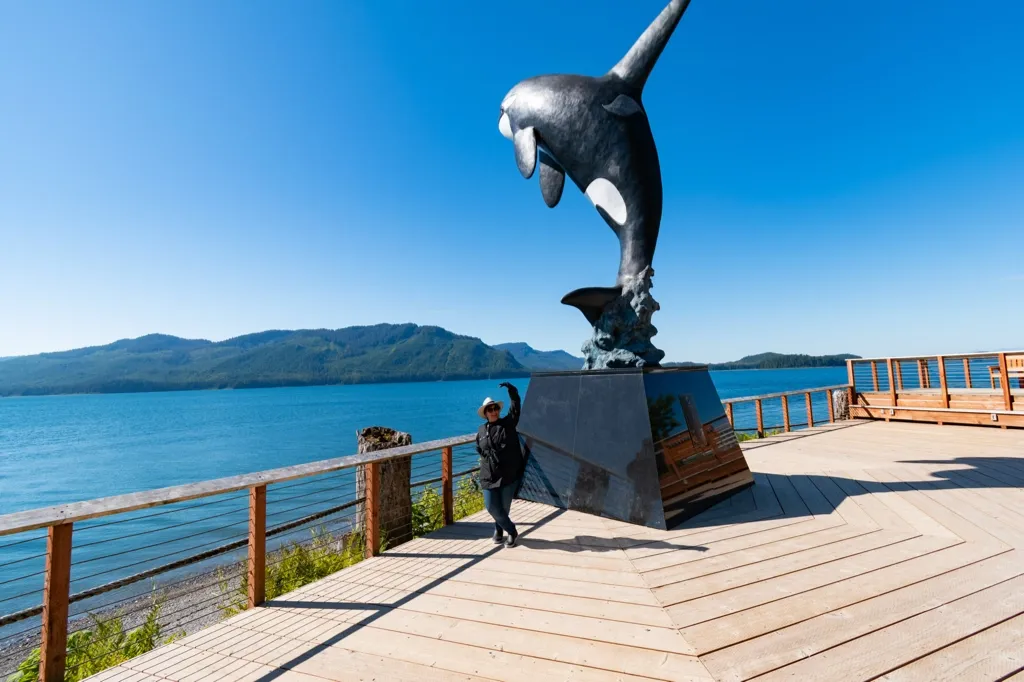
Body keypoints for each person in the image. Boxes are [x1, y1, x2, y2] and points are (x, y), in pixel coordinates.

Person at [475, 381, 525, 547]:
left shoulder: (508, 424)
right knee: (491, 507)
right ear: (486, 413)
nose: (494, 411)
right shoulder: (481, 430)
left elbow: (516, 408)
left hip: (507, 474)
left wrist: (512, 391)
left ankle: (499, 529)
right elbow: (479, 448)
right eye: (490, 409)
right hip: (488, 475)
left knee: (504, 507)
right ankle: (511, 530)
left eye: (495, 408)